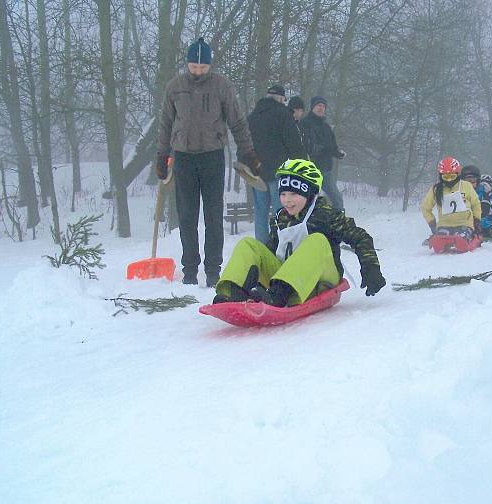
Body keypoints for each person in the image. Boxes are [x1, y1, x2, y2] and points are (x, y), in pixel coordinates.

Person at [156, 37, 261, 287]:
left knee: (213, 216)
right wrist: (162, 155)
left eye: (203, 68)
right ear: (187, 64)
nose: (198, 71)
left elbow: (236, 121)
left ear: (210, 66)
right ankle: (190, 271)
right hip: (183, 157)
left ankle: (213, 270)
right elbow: (165, 124)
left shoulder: (221, 86)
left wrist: (247, 152)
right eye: (194, 67)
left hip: (213, 156)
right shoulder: (175, 87)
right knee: (187, 216)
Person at [212, 159, 385, 307]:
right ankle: (234, 292)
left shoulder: (325, 214)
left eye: (294, 193)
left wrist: (371, 268)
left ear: (309, 193)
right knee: (248, 244)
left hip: (322, 280)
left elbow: (360, 237)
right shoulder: (280, 219)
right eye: (283, 193)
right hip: (286, 281)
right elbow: (274, 251)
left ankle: (278, 295)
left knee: (316, 240)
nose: (287, 200)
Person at [247, 84, 307, 244]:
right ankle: (282, 246)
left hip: (257, 172)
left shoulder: (252, 116)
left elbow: (245, 145)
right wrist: (303, 165)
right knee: (282, 211)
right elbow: (293, 143)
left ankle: (261, 247)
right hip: (278, 172)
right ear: (281, 99)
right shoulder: (283, 114)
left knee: (260, 212)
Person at [300, 97, 346, 212]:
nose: (321, 108)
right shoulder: (305, 124)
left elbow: (332, 146)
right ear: (312, 107)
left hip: (325, 169)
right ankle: (308, 227)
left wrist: (338, 153)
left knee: (337, 200)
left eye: (323, 106)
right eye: (318, 105)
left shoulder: (326, 127)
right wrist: (324, 150)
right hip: (310, 169)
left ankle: (339, 225)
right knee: (309, 203)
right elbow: (306, 146)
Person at [420, 156, 482, 242]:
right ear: (441, 176)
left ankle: (465, 240)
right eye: (446, 177)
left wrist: (476, 220)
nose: (449, 180)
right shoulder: (436, 190)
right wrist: (432, 223)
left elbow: (476, 204)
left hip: (465, 224)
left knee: (462, 237)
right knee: (441, 238)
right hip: (444, 225)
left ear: (457, 174)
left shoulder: (466, 186)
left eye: (452, 176)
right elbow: (425, 208)